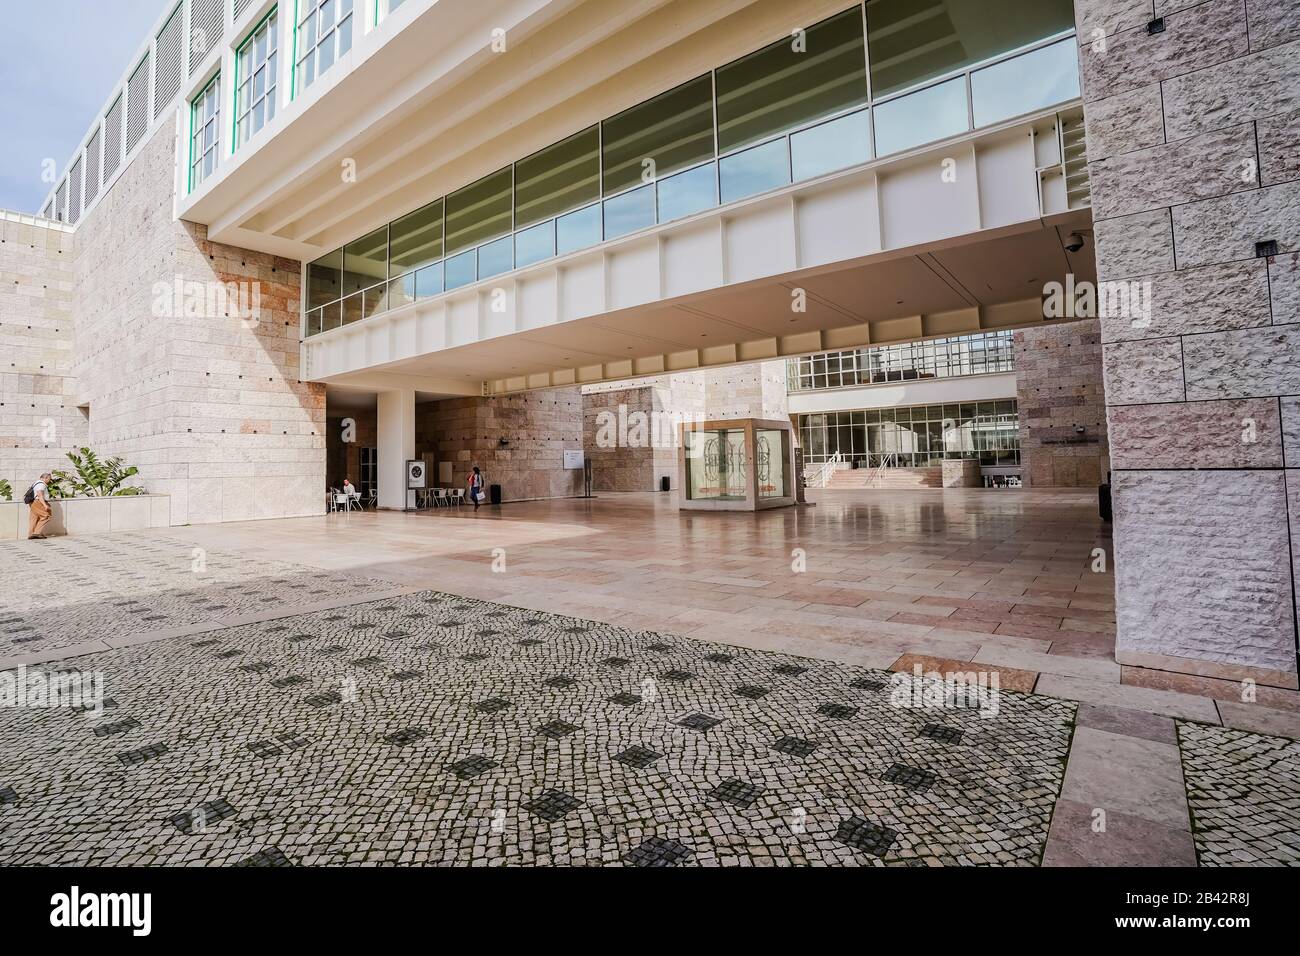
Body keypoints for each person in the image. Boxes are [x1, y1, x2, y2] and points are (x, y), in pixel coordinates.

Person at [27, 472, 52, 539]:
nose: (50, 480)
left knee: (34, 518)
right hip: (38, 502)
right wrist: (45, 505)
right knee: (47, 516)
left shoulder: (36, 483)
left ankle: (31, 534)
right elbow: (40, 495)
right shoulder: (41, 484)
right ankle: (37, 533)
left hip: (33, 502)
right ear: (45, 478)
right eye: (49, 479)